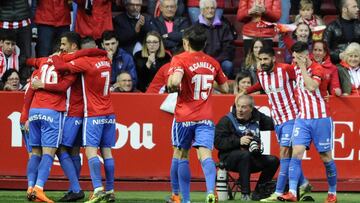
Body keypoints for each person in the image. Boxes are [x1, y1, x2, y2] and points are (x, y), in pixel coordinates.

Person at [167, 24, 229, 203]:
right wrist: (208, 80)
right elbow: (225, 88)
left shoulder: (180, 59)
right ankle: (211, 191)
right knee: (206, 155)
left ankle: (180, 197)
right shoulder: (212, 62)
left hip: (184, 117)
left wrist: (172, 84)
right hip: (205, 117)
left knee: (180, 154)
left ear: (186, 42)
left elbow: (175, 81)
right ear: (205, 43)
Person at [241, 46, 311, 202]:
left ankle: (278, 192)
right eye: (260, 59)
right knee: (289, 154)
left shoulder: (286, 69)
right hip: (277, 120)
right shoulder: (261, 74)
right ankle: (303, 183)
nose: (263, 62)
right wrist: (246, 91)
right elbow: (263, 86)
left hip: (292, 117)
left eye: (266, 59)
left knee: (285, 152)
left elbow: (301, 77)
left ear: (273, 58)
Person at [51, 39, 116, 203]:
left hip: (93, 113)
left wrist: (56, 57)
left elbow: (60, 67)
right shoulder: (106, 60)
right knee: (107, 151)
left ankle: (97, 190)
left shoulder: (85, 62)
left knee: (90, 151)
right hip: (109, 112)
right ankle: (110, 190)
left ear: (81, 50)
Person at [278, 41, 338, 203]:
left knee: (326, 157)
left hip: (321, 118)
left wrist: (303, 68)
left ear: (306, 55)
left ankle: (332, 193)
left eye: (298, 58)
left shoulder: (317, 68)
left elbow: (312, 86)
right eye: (294, 58)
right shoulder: (295, 66)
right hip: (302, 119)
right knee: (296, 153)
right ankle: (292, 193)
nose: (295, 61)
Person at [215, 95, 279, 201]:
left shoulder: (257, 117)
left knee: (273, 160)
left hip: (251, 157)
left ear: (251, 108)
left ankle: (259, 192)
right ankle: (245, 193)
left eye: (243, 107)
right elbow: (218, 143)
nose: (239, 110)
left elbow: (274, 124)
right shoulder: (227, 120)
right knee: (245, 155)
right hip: (229, 158)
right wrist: (238, 141)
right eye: (238, 106)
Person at [196, 0, 235, 78]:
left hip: (220, 60)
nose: (210, 11)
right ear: (202, 11)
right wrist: (207, 61)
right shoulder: (196, 27)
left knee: (228, 65)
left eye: (212, 8)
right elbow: (196, 48)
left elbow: (229, 47)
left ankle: (225, 88)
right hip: (203, 61)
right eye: (207, 8)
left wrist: (216, 61)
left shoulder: (224, 26)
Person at [323, 0, 360, 64]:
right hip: (338, 64)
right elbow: (324, 48)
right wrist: (338, 55)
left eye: (357, 6)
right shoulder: (331, 27)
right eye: (354, 7)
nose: (358, 9)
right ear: (344, 9)